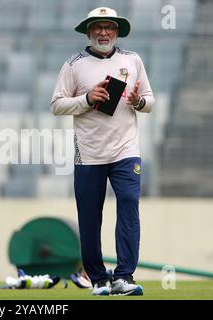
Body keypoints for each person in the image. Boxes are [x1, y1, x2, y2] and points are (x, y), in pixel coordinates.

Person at [51, 7, 155, 296]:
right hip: (89, 153)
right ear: (88, 32)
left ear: (117, 31)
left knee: (129, 204)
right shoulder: (74, 64)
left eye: (109, 27)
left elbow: (150, 99)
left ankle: (124, 276)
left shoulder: (132, 60)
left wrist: (137, 101)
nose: (103, 32)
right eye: (98, 27)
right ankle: (98, 279)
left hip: (126, 151)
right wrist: (86, 98)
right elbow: (57, 104)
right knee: (89, 216)